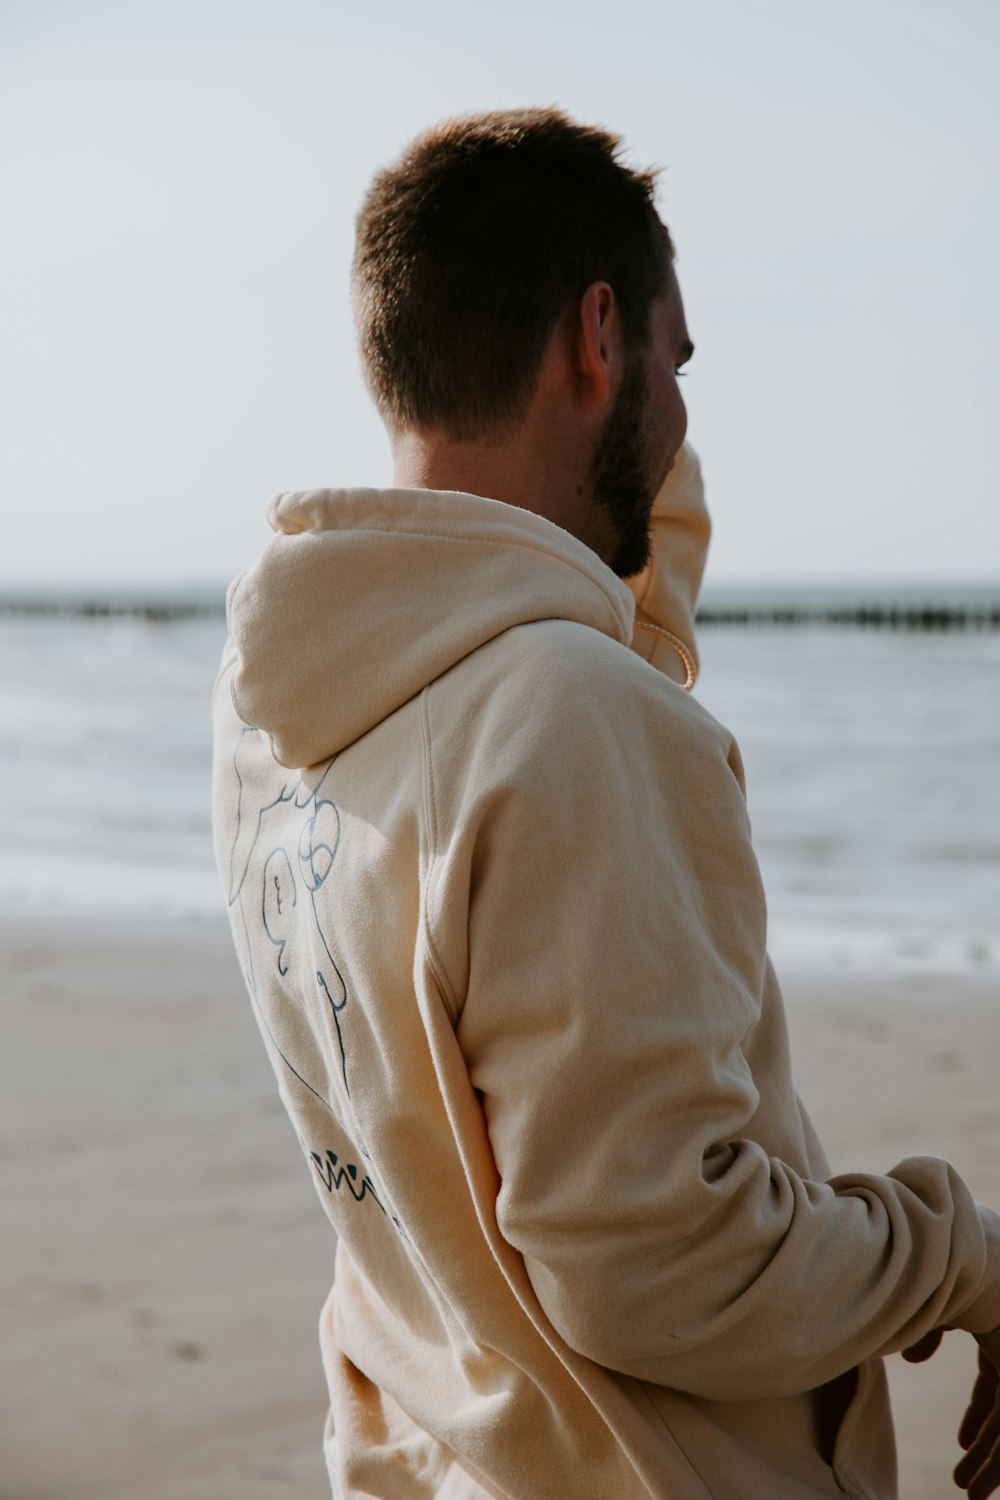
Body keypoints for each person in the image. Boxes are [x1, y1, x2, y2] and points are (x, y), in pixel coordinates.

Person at [211, 107, 1000, 1499]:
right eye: (675, 358)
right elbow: (662, 1268)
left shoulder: (291, 709)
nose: (687, 409)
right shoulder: (569, 720)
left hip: (440, 1454)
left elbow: (568, 648)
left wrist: (629, 478)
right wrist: (969, 1259)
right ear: (595, 338)